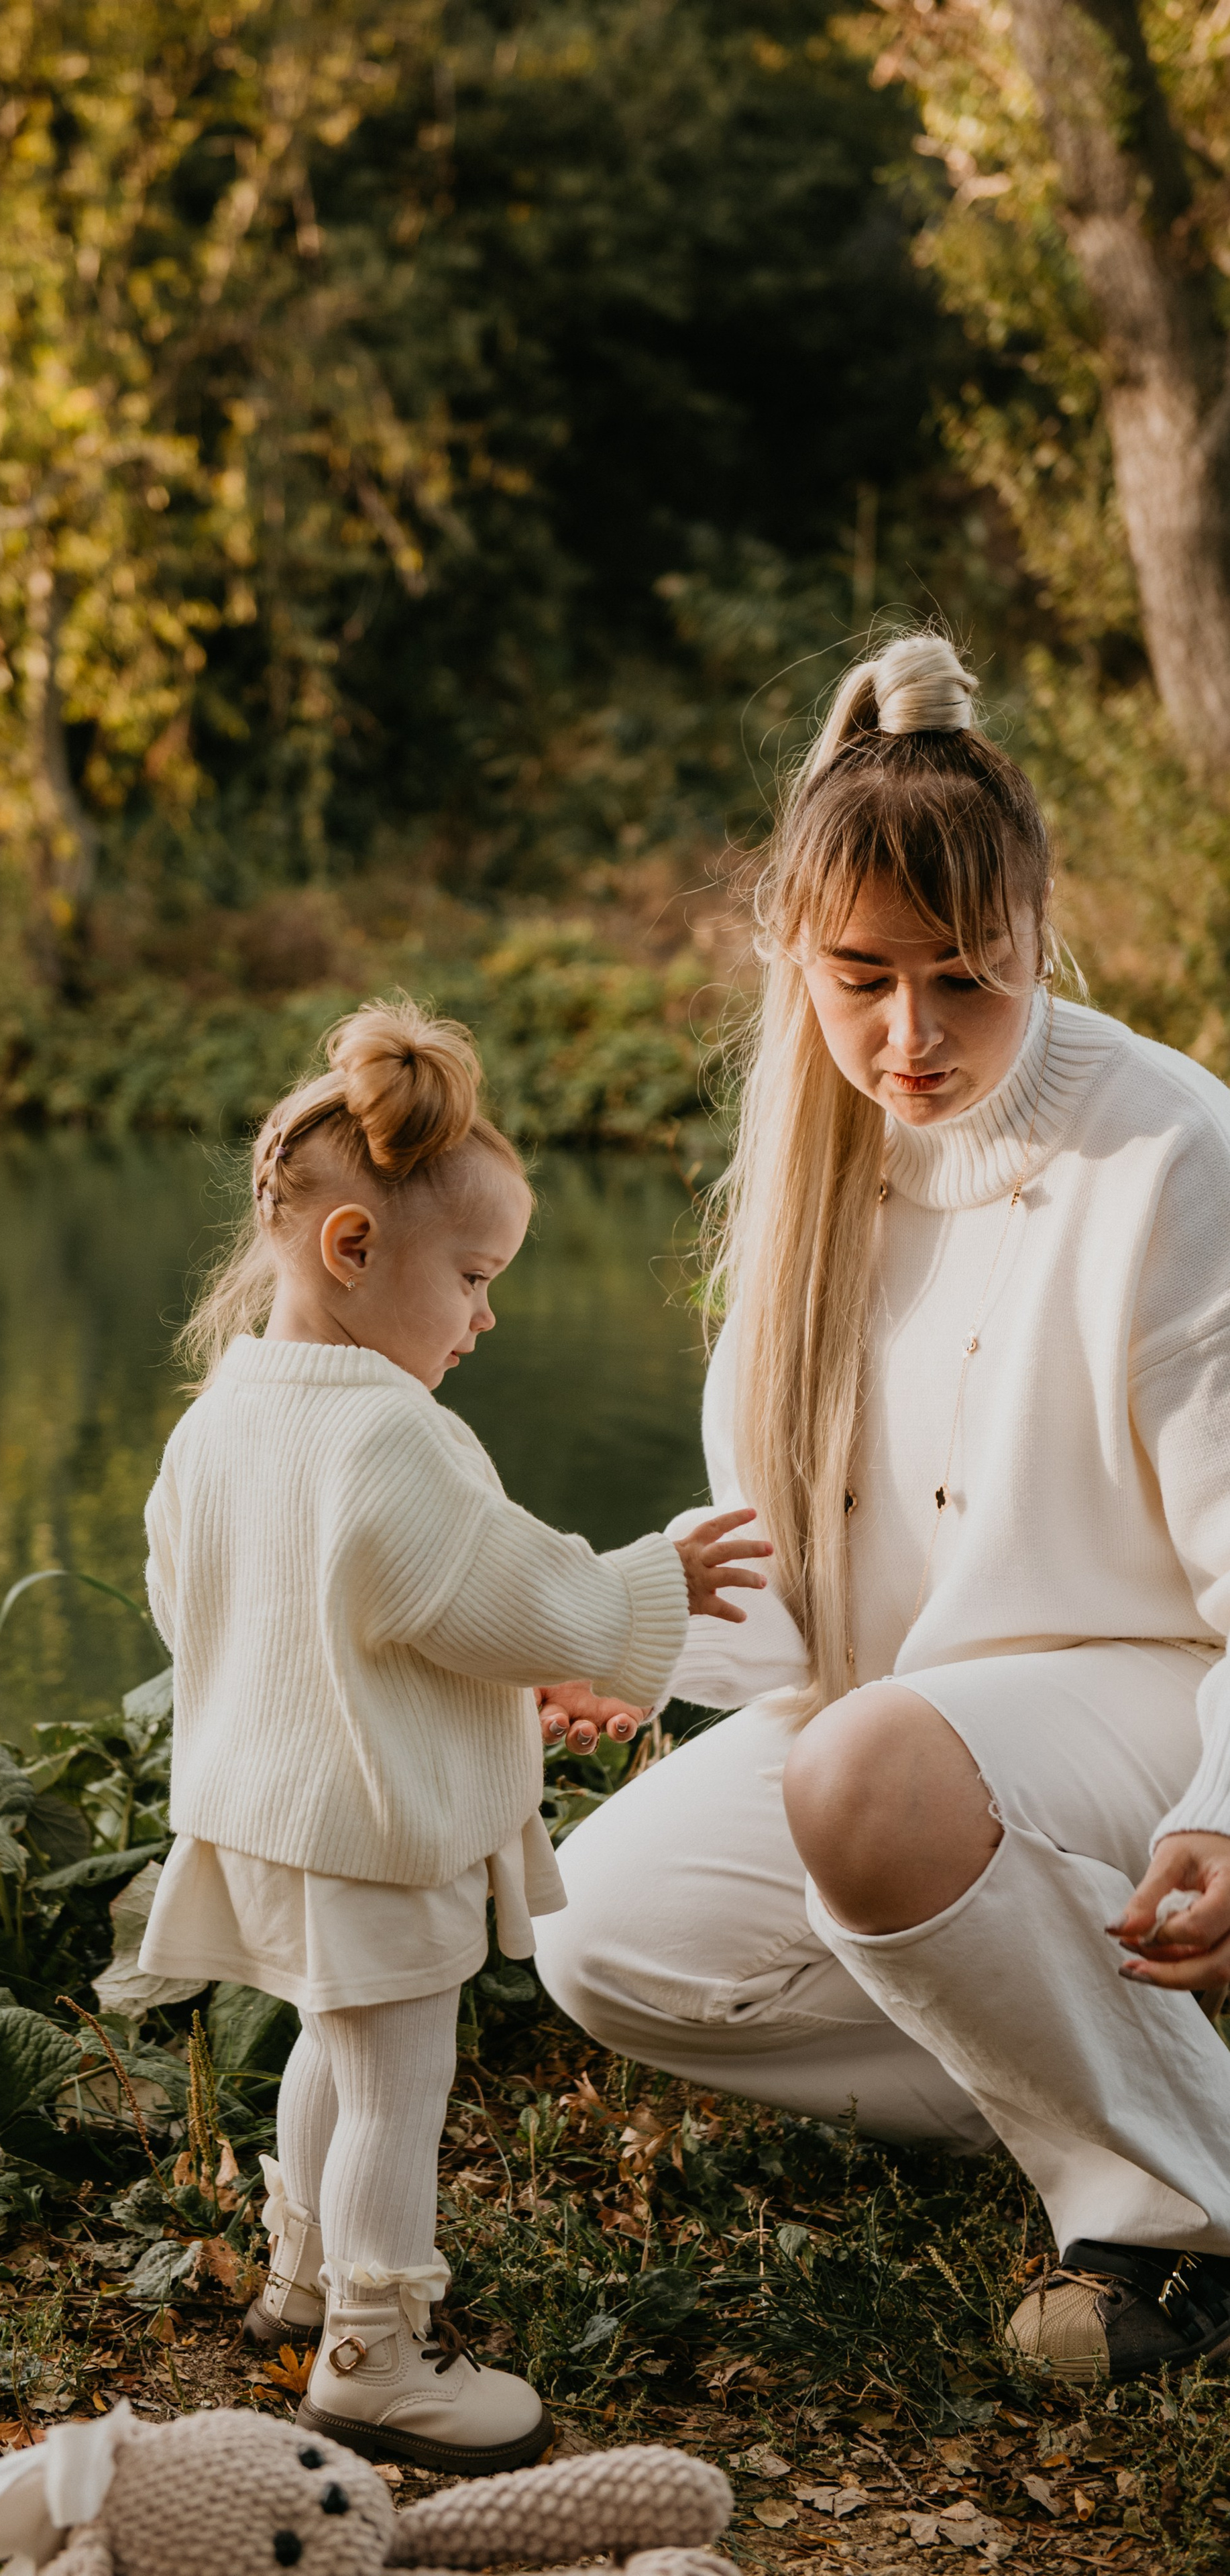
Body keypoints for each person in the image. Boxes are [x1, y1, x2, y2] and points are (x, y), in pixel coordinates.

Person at [533, 631, 1230, 2384]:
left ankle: (1160, 2226)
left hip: (1162, 1704)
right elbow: (807, 1574)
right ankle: (1128, 2095)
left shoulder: (1172, 1156)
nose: (907, 1038)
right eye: (860, 980)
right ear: (798, 963)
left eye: (964, 983)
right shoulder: (807, 1180)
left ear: (1038, 948)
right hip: (925, 1739)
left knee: (865, 1767)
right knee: (599, 1935)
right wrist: (625, 1643)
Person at [139, 997, 768, 2473]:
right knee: (398, 2083)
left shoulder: (219, 1415)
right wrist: (641, 1584)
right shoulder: (386, 1432)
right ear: (353, 1249)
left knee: (331, 2042)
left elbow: (203, 1610)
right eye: (471, 1277)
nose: (485, 1315)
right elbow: (492, 1590)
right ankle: (374, 2355)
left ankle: (298, 2269)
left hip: (268, 1811)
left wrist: (424, 1675)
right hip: (375, 1826)